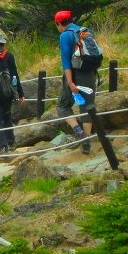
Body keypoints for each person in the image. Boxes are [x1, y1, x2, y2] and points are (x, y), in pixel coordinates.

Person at [54, 10, 95, 154]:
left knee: (63, 106)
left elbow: (66, 62)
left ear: (59, 23)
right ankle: (86, 143)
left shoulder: (65, 35)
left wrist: (70, 82)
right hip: (90, 74)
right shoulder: (86, 31)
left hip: (75, 74)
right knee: (87, 106)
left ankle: (79, 132)